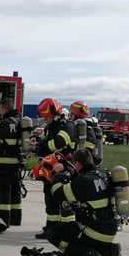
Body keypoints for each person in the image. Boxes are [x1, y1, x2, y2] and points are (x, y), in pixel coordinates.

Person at [38, 147, 122, 256]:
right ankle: (109, 251)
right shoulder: (103, 174)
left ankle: (82, 254)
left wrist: (59, 174)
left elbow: (59, 194)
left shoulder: (84, 180)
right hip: (109, 230)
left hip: (92, 231)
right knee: (78, 230)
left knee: (53, 233)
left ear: (77, 163)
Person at [34, 98, 75, 239]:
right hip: (51, 170)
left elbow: (59, 143)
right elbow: (47, 142)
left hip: (63, 169)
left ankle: (65, 231)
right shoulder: (52, 126)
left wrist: (43, 146)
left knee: (62, 201)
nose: (46, 119)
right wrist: (39, 145)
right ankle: (51, 229)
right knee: (50, 200)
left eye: (47, 117)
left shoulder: (67, 126)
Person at [0, 98, 25, 227]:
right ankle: (16, 219)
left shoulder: (5, 123)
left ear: (4, 108)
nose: (0, 111)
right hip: (18, 165)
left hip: (5, 164)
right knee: (15, 192)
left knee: (3, 193)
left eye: (0, 108)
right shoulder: (21, 122)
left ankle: (3, 220)